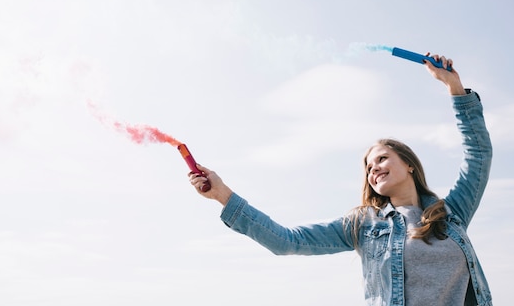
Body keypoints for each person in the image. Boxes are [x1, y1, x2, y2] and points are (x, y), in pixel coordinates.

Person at [188, 54, 493, 306]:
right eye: (368, 167)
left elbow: (478, 154)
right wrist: (223, 195)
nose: (373, 169)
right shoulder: (363, 225)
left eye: (382, 159)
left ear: (410, 165)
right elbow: (287, 241)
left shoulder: (451, 213)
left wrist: (454, 86)